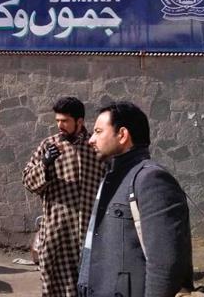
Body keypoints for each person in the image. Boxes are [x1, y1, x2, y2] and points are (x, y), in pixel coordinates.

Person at [78, 101, 194, 297]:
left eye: (98, 131)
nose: (91, 140)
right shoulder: (112, 177)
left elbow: (164, 265)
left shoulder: (150, 179)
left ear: (122, 135)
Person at [23, 97, 104, 297]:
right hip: (57, 232)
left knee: (91, 285)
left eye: (65, 121)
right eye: (57, 120)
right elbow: (28, 181)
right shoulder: (48, 146)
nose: (60, 125)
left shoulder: (95, 147)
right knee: (55, 286)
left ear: (79, 121)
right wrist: (45, 164)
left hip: (91, 231)